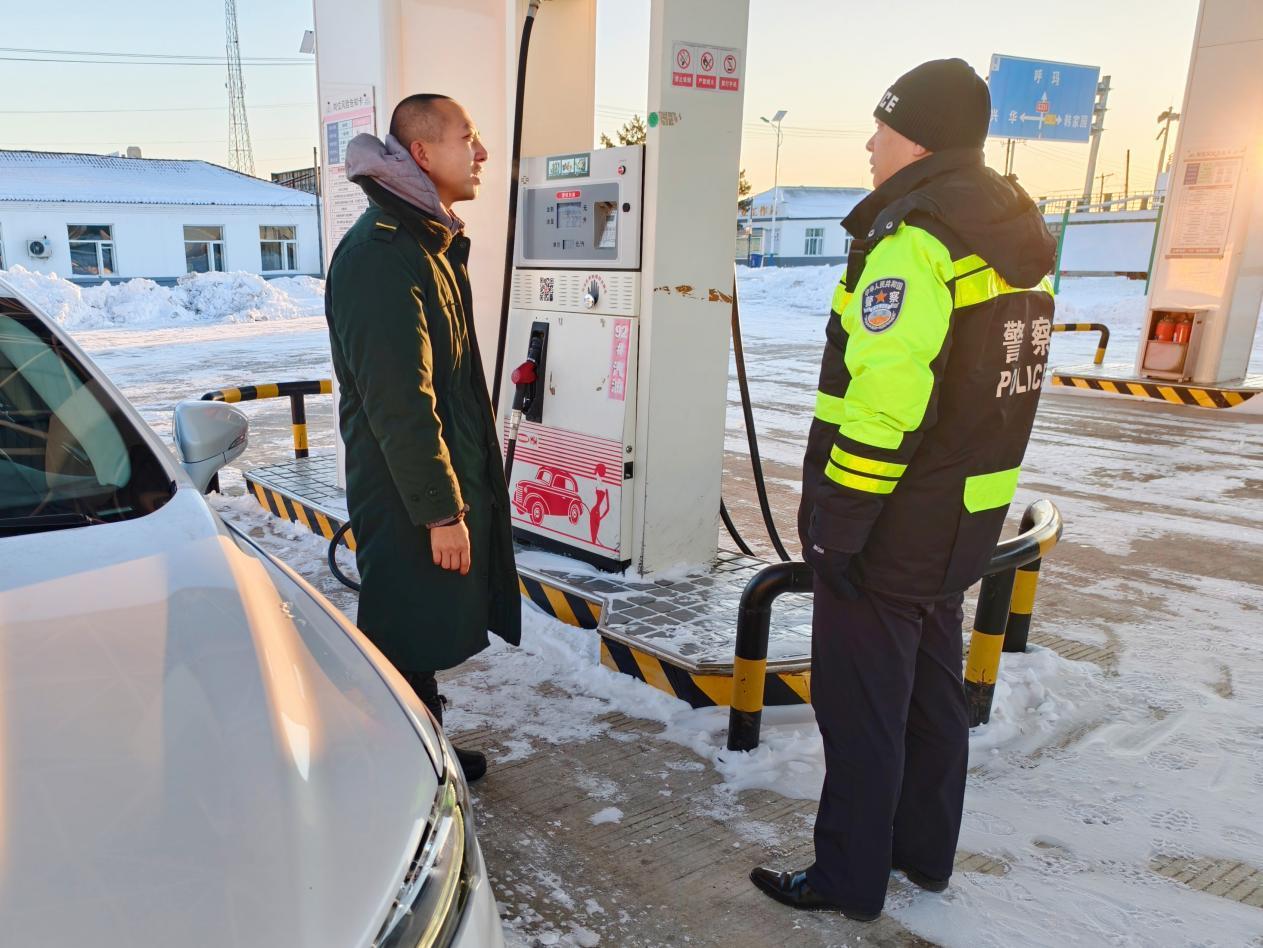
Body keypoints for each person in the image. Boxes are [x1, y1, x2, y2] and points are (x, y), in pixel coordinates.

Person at [751, 59, 1056, 920]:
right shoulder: (1013, 235)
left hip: (891, 525)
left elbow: (886, 406)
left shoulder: (915, 241)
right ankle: (922, 856)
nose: (867, 145)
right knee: (929, 697)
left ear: (916, 139)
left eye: (879, 130)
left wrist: (839, 524)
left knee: (861, 710)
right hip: (962, 517)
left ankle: (847, 879)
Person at [324, 94, 521, 783]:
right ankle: (401, 766)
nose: (482, 153)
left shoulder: (422, 243)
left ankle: (420, 746)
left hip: (421, 482)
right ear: (422, 152)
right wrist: (441, 511)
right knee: (402, 625)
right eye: (468, 137)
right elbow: (401, 404)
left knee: (416, 626)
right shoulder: (382, 256)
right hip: (404, 489)